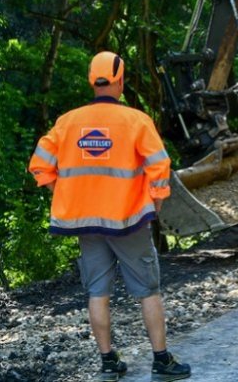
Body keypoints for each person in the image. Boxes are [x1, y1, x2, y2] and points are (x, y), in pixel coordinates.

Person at [27, 51, 191, 382]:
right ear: (120, 81)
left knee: (97, 292)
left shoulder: (67, 122)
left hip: (86, 224)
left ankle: (108, 363)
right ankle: (161, 361)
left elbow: (39, 165)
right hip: (129, 221)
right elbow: (159, 165)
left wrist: (66, 193)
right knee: (148, 290)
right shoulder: (136, 120)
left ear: (92, 80)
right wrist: (156, 203)